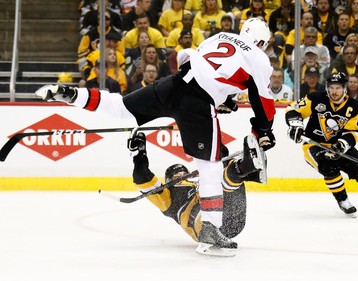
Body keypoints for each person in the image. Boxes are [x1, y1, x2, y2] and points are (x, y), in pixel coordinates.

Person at [36, 18, 276, 256]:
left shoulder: (219, 37)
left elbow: (193, 62)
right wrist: (263, 130)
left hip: (173, 85)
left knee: (121, 108)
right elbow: (262, 101)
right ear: (262, 41)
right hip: (198, 103)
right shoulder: (259, 58)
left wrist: (224, 99)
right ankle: (210, 230)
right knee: (209, 165)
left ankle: (71, 94)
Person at [126, 129, 266, 256]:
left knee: (218, 165)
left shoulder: (201, 181)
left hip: (235, 219)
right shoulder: (168, 198)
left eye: (183, 173)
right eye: (176, 175)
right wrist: (139, 154)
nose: (181, 175)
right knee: (220, 177)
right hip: (208, 230)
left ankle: (249, 168)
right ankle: (248, 169)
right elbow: (142, 178)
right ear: (169, 180)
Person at [285, 72, 358, 216]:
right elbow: (293, 109)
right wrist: (296, 125)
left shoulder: (356, 107)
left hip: (339, 147)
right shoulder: (316, 98)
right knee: (329, 168)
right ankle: (343, 200)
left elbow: (353, 133)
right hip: (314, 146)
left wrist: (341, 145)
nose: (334, 91)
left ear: (345, 88)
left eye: (338, 88)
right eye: (331, 87)